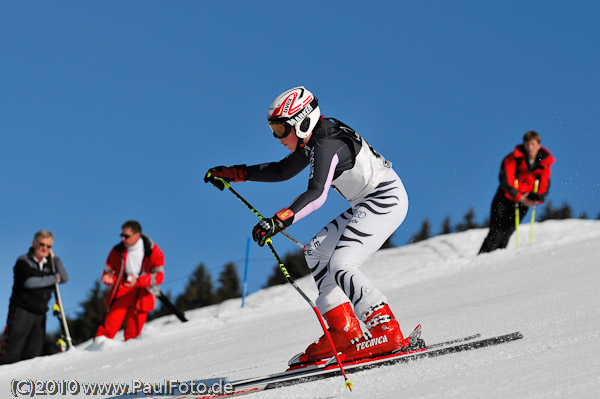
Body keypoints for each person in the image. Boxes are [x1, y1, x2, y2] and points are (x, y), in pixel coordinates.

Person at [205, 86, 413, 363]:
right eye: (274, 130)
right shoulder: (316, 138)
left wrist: (279, 220)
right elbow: (282, 171)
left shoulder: (327, 144)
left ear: (301, 121)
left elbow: (317, 194)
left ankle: (385, 329)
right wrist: (236, 173)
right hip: (367, 203)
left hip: (384, 200)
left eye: (280, 130)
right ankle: (344, 331)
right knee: (316, 251)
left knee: (342, 264)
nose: (277, 138)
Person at [479, 131, 555, 254]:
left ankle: (495, 261)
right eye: (527, 144)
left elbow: (544, 183)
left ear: (539, 145)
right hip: (505, 198)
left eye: (533, 144)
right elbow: (505, 179)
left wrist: (537, 198)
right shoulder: (513, 158)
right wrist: (519, 196)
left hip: (524, 202)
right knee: (496, 232)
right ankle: (481, 259)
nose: (530, 147)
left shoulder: (544, 162)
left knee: (507, 232)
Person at [1, 230, 68, 364]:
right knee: (12, 353)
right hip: (22, 312)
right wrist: (53, 278)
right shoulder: (23, 261)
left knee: (33, 356)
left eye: (48, 246)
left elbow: (64, 278)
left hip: (40, 314)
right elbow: (30, 282)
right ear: (34, 243)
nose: (45, 249)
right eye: (42, 244)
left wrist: (55, 260)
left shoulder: (51, 265)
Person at [96, 220, 164, 341]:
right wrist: (108, 278)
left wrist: (138, 281)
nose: (122, 239)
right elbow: (108, 269)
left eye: (126, 236)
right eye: (121, 235)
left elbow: (159, 276)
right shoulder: (117, 250)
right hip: (122, 290)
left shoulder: (153, 251)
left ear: (137, 235)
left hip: (143, 293)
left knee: (133, 334)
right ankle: (95, 353)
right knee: (108, 329)